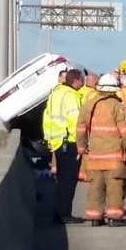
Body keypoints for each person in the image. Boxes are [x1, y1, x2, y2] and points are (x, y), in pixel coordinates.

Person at [76, 74, 126, 227]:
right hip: (113, 157)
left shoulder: (89, 105)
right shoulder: (117, 106)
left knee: (95, 187)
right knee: (114, 187)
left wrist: (81, 148)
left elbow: (80, 129)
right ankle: (114, 218)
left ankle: (94, 217)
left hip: (94, 156)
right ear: (114, 90)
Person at [43, 69, 85, 224]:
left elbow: (46, 117)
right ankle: (64, 214)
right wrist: (82, 143)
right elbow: (75, 122)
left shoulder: (55, 93)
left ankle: (59, 212)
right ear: (76, 80)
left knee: (61, 181)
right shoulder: (71, 96)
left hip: (58, 142)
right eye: (82, 80)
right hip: (70, 142)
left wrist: (49, 139)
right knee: (68, 181)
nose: (83, 83)